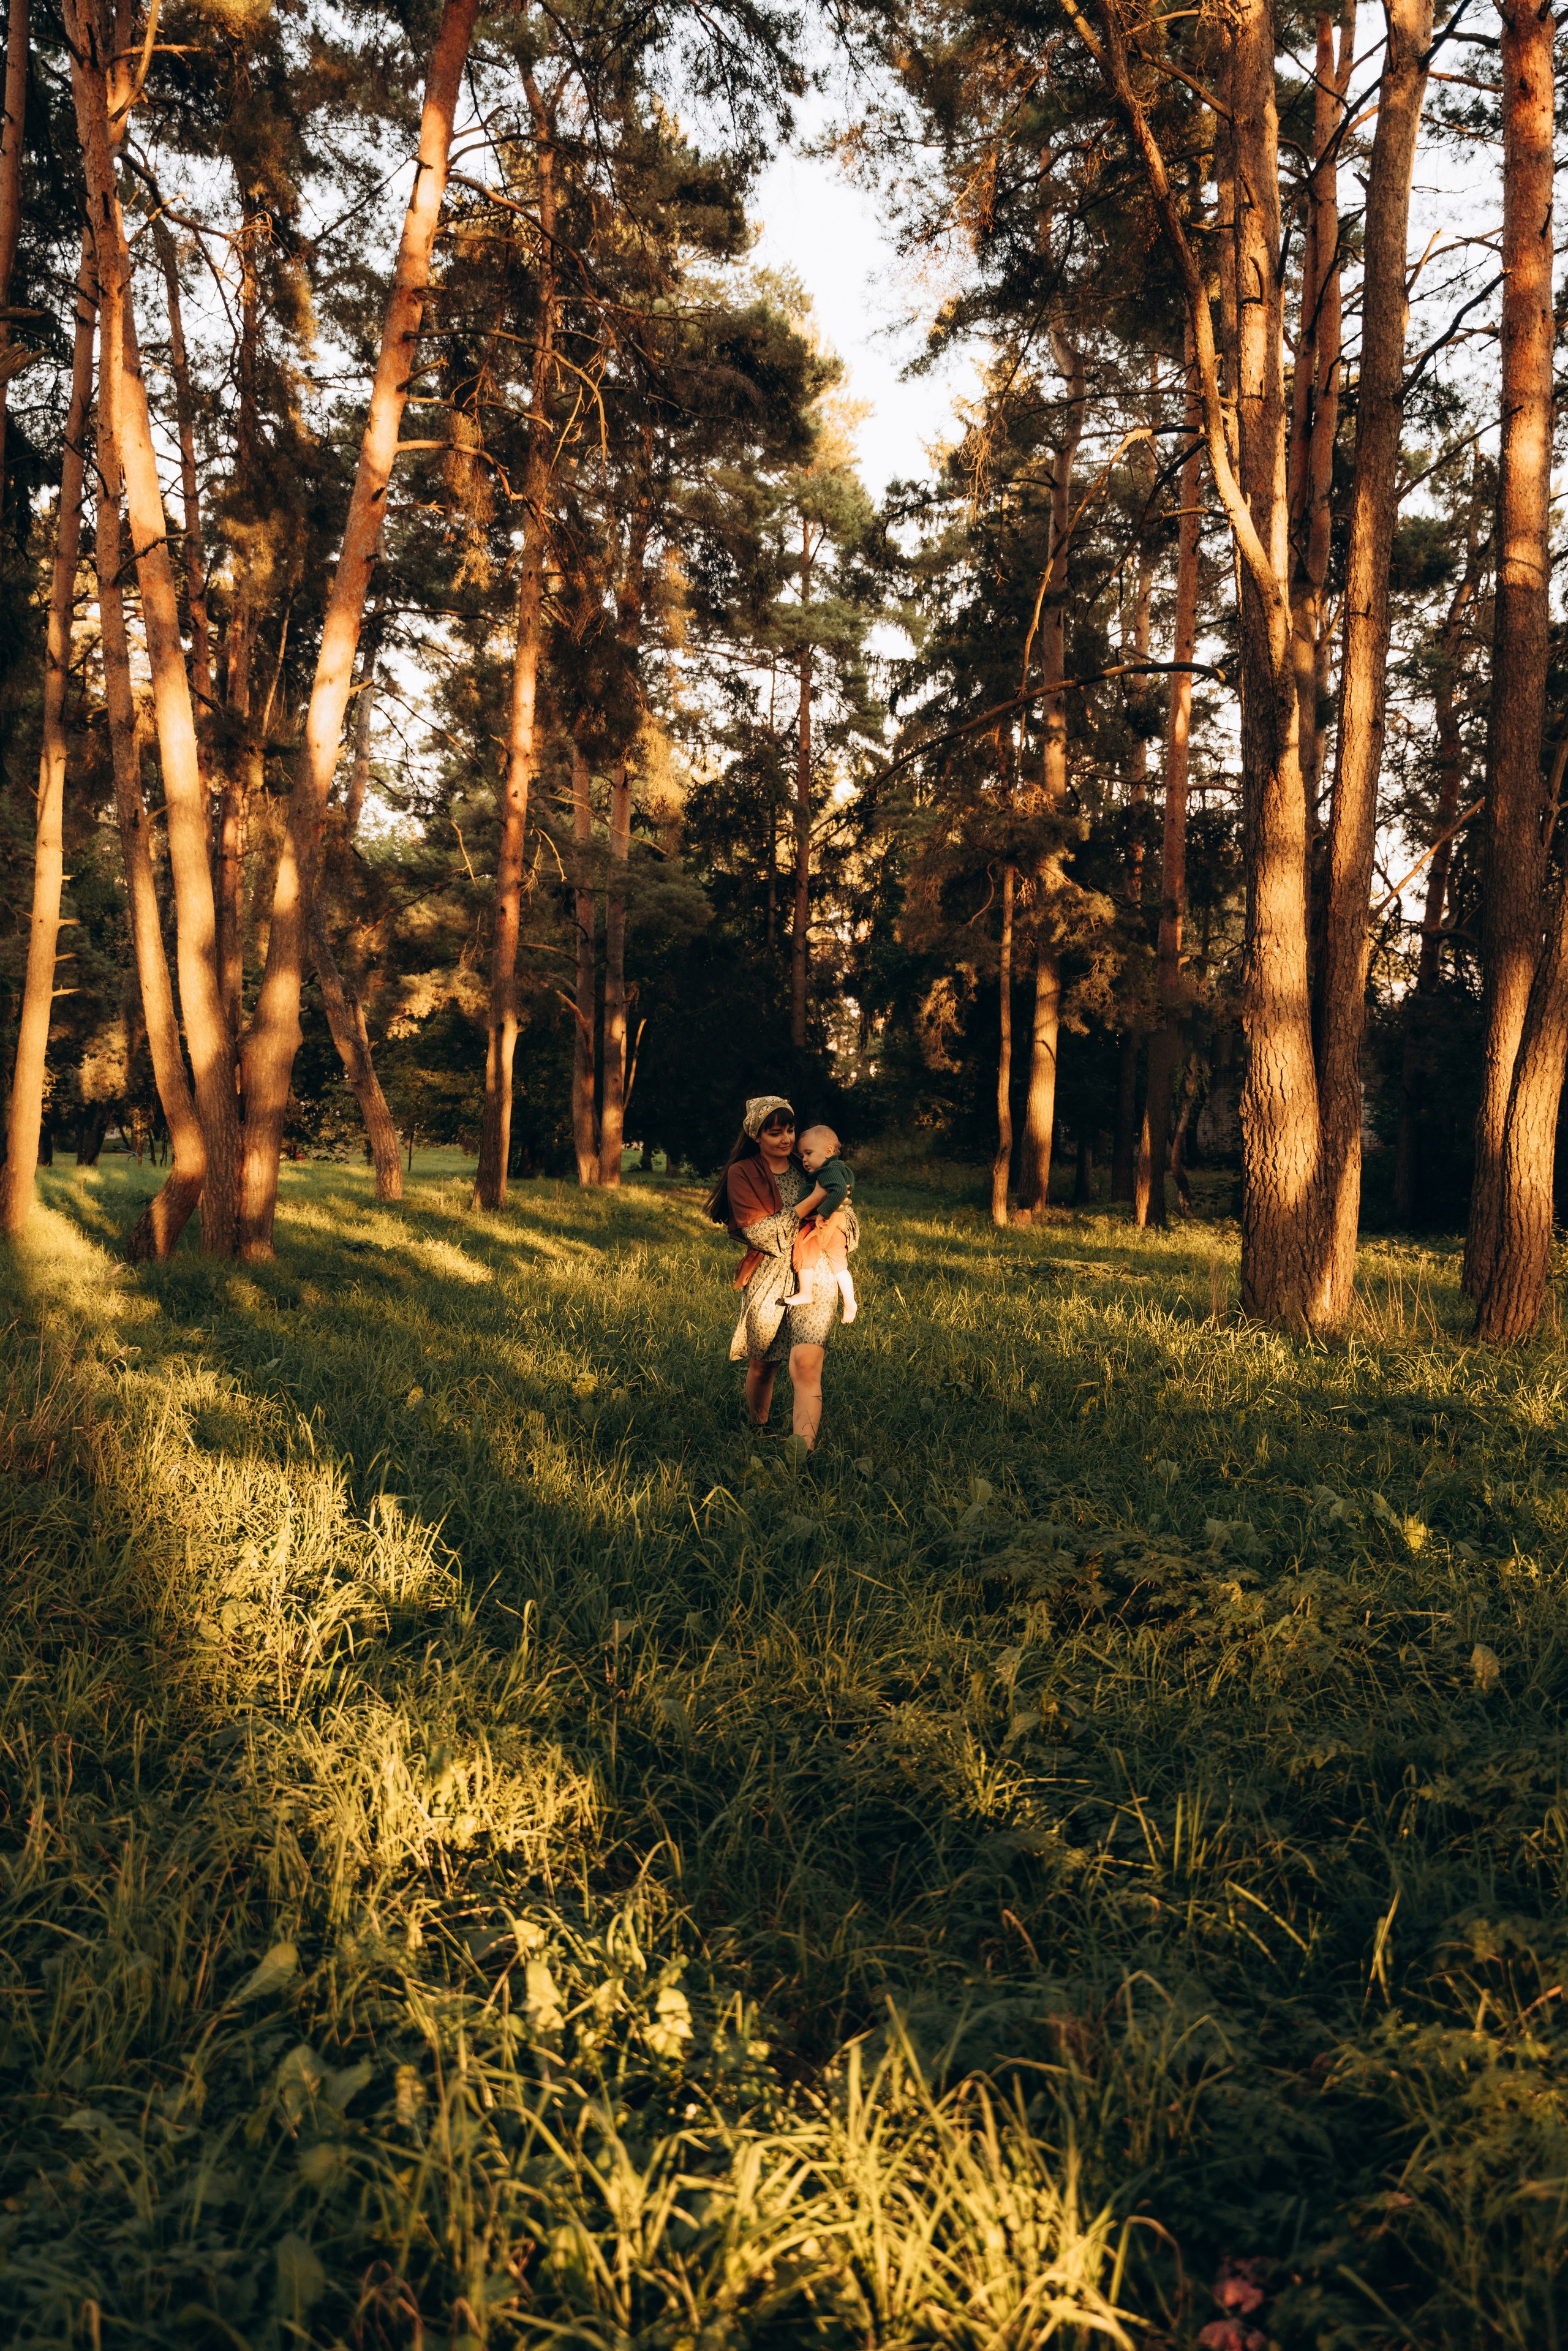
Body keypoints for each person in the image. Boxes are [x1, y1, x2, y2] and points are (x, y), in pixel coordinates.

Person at [704, 1095, 844, 1449]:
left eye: (791, 1130)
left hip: (815, 1269)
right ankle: (758, 1428)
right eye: (775, 1133)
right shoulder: (743, 1173)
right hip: (769, 1273)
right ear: (757, 1137)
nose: (786, 1139)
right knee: (764, 1365)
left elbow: (845, 1210)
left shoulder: (810, 1164)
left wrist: (835, 1218)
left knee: (807, 1364)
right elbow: (760, 1234)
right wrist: (813, 1202)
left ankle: (802, 1454)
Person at [785, 1123, 858, 1323]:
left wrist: (824, 1214)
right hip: (837, 1232)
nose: (805, 1160)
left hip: (822, 1223)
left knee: (803, 1245)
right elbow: (849, 1184)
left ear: (828, 1152)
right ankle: (850, 1301)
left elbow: (841, 1190)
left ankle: (806, 1292)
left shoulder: (828, 1170)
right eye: (802, 1156)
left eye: (808, 1153)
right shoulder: (839, 1167)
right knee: (840, 1267)